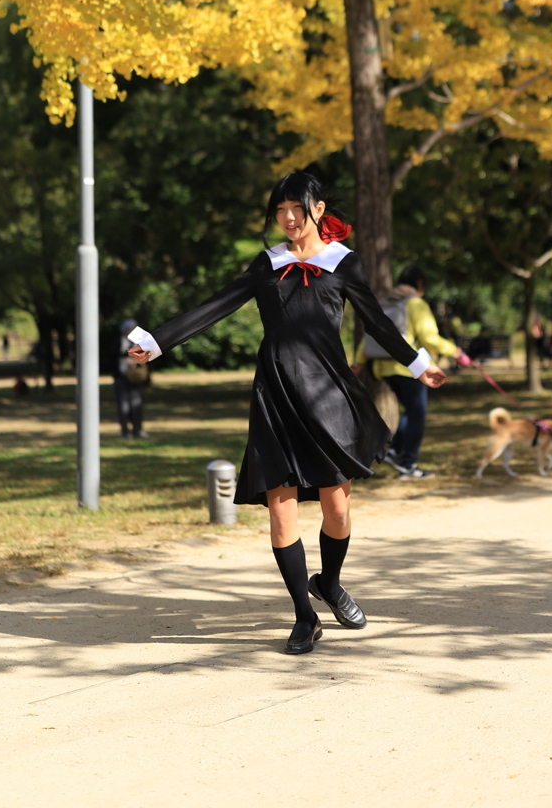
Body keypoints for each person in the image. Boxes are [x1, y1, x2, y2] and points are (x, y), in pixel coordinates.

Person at [127, 169, 446, 656]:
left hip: (329, 395)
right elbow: (217, 305)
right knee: (281, 513)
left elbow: (377, 322)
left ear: (318, 210)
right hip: (276, 394)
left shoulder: (343, 263)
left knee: (337, 508)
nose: (288, 218)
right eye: (280, 211)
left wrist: (417, 364)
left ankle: (330, 582)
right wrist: (157, 341)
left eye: (297, 209)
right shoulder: (267, 264)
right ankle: (303, 615)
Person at [357, 263, 463, 480]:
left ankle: (395, 450)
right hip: (410, 368)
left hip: (382, 367)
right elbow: (429, 337)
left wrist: (358, 361)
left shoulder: (386, 303)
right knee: (417, 414)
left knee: (411, 411)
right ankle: (409, 464)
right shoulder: (416, 304)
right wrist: (456, 352)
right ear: (420, 284)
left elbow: (374, 333)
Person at [114, 317, 150, 439]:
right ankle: (125, 431)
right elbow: (113, 355)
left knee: (136, 404)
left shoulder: (139, 339)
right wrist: (128, 355)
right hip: (122, 377)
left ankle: (137, 430)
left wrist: (136, 360)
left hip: (136, 377)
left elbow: (148, 353)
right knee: (124, 405)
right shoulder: (119, 341)